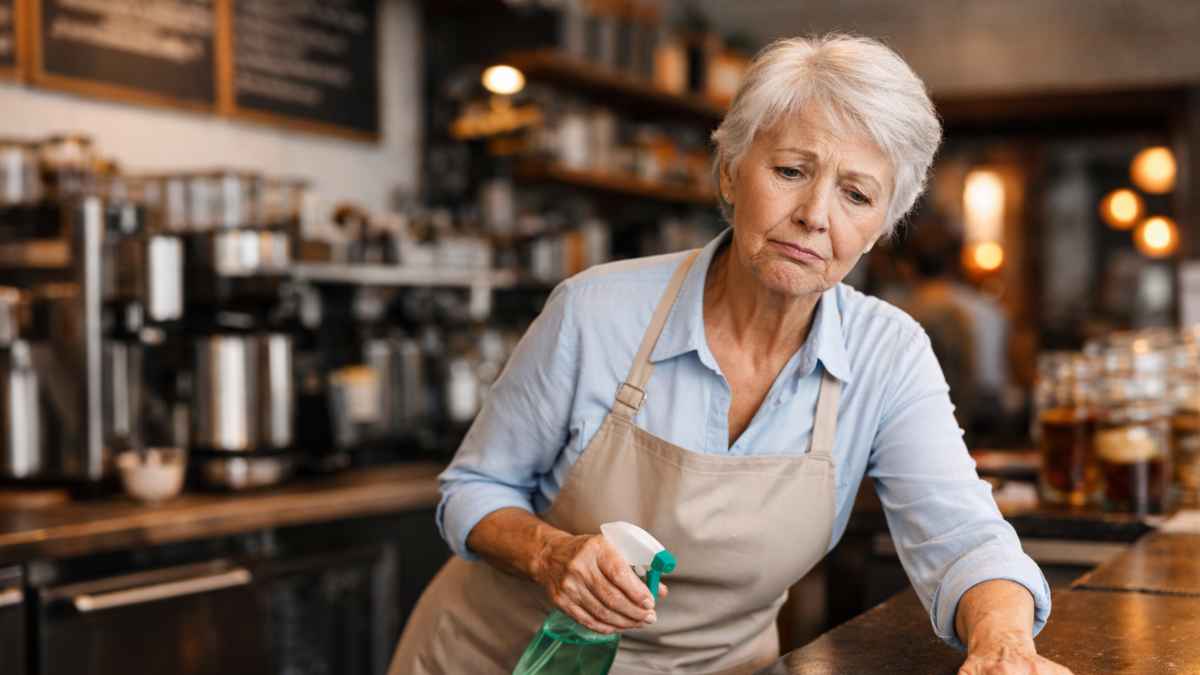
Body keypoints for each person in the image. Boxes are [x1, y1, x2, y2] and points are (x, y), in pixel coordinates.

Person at [390, 35, 1070, 675]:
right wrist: (551, 553)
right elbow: (472, 490)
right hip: (500, 658)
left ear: (879, 228)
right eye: (790, 170)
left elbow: (965, 537)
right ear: (730, 171)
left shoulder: (887, 355)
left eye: (856, 194)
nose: (814, 214)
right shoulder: (595, 312)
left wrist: (1004, 646)